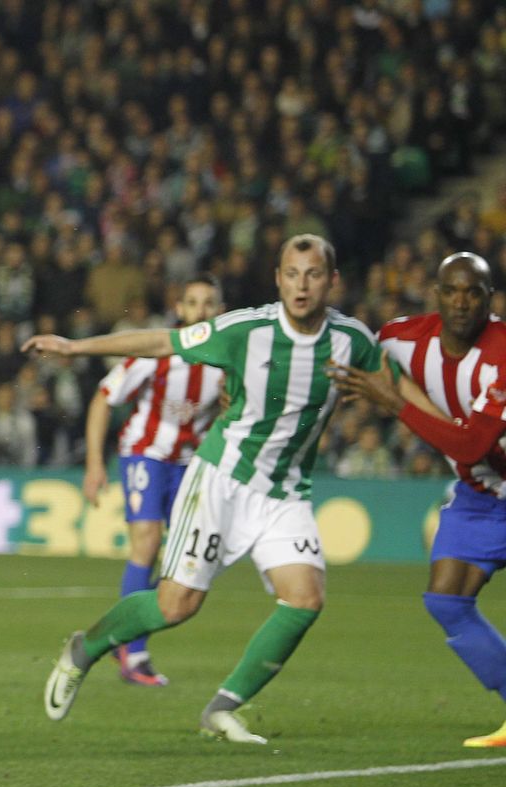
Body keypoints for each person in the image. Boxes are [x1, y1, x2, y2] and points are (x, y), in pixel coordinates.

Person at [23, 234, 383, 744]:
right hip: (220, 479)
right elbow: (159, 342)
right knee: (176, 605)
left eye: (314, 274)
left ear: (333, 281)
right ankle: (87, 647)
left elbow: (393, 380)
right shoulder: (245, 331)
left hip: (284, 491)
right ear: (278, 280)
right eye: (292, 274)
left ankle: (223, 708)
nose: (302, 285)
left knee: (305, 598)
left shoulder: (353, 341)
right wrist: (75, 347)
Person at [329, 252, 506, 747]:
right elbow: (340, 356)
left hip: (484, 474)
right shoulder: (401, 339)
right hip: (481, 495)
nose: (461, 302)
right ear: (436, 294)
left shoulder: (502, 354)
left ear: (490, 299)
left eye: (473, 292)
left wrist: (393, 402)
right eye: (452, 290)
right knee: (446, 599)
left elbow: (472, 445)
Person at [81, 276, 226, 686]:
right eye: (193, 302)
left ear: (220, 311)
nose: (200, 310)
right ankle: (133, 650)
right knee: (146, 542)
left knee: (180, 559)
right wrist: (95, 463)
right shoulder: (157, 352)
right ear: (180, 309)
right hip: (145, 454)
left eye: (209, 303)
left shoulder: (227, 361)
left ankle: (126, 637)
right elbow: (104, 397)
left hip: (191, 464)